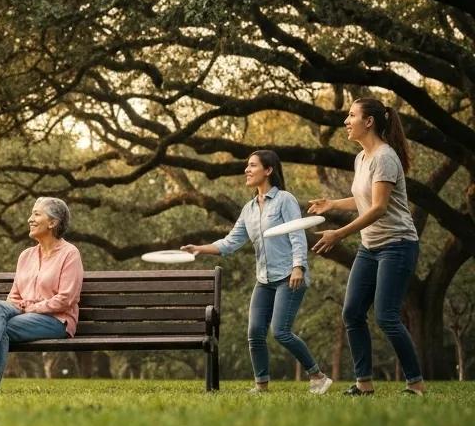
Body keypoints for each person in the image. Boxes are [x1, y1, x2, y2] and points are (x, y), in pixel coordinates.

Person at [182, 151, 331, 395]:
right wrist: (200, 248)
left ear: (268, 170)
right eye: (246, 166)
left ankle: (318, 376)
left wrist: (298, 267)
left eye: (252, 166)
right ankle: (261, 385)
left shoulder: (285, 200)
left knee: (281, 331)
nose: (247, 170)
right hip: (264, 279)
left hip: (288, 275)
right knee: (254, 332)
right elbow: (230, 243)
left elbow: (297, 235)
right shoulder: (249, 209)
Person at [309, 97, 425, 396]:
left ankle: (416, 383)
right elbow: (363, 199)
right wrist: (333, 203)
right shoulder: (361, 158)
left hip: (397, 245)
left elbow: (378, 208)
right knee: (352, 313)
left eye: (351, 116)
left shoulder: (385, 157)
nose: (346, 122)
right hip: (370, 247)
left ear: (369, 121)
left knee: (386, 316)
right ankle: (364, 384)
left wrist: (339, 233)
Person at [0, 197, 83, 393]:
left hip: (57, 320)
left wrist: (31, 307)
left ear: (53, 222)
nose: (29, 219)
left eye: (36, 214)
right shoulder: (26, 255)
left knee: (1, 326)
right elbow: (15, 296)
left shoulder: (70, 253)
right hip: (26, 315)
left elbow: (66, 299)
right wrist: (19, 309)